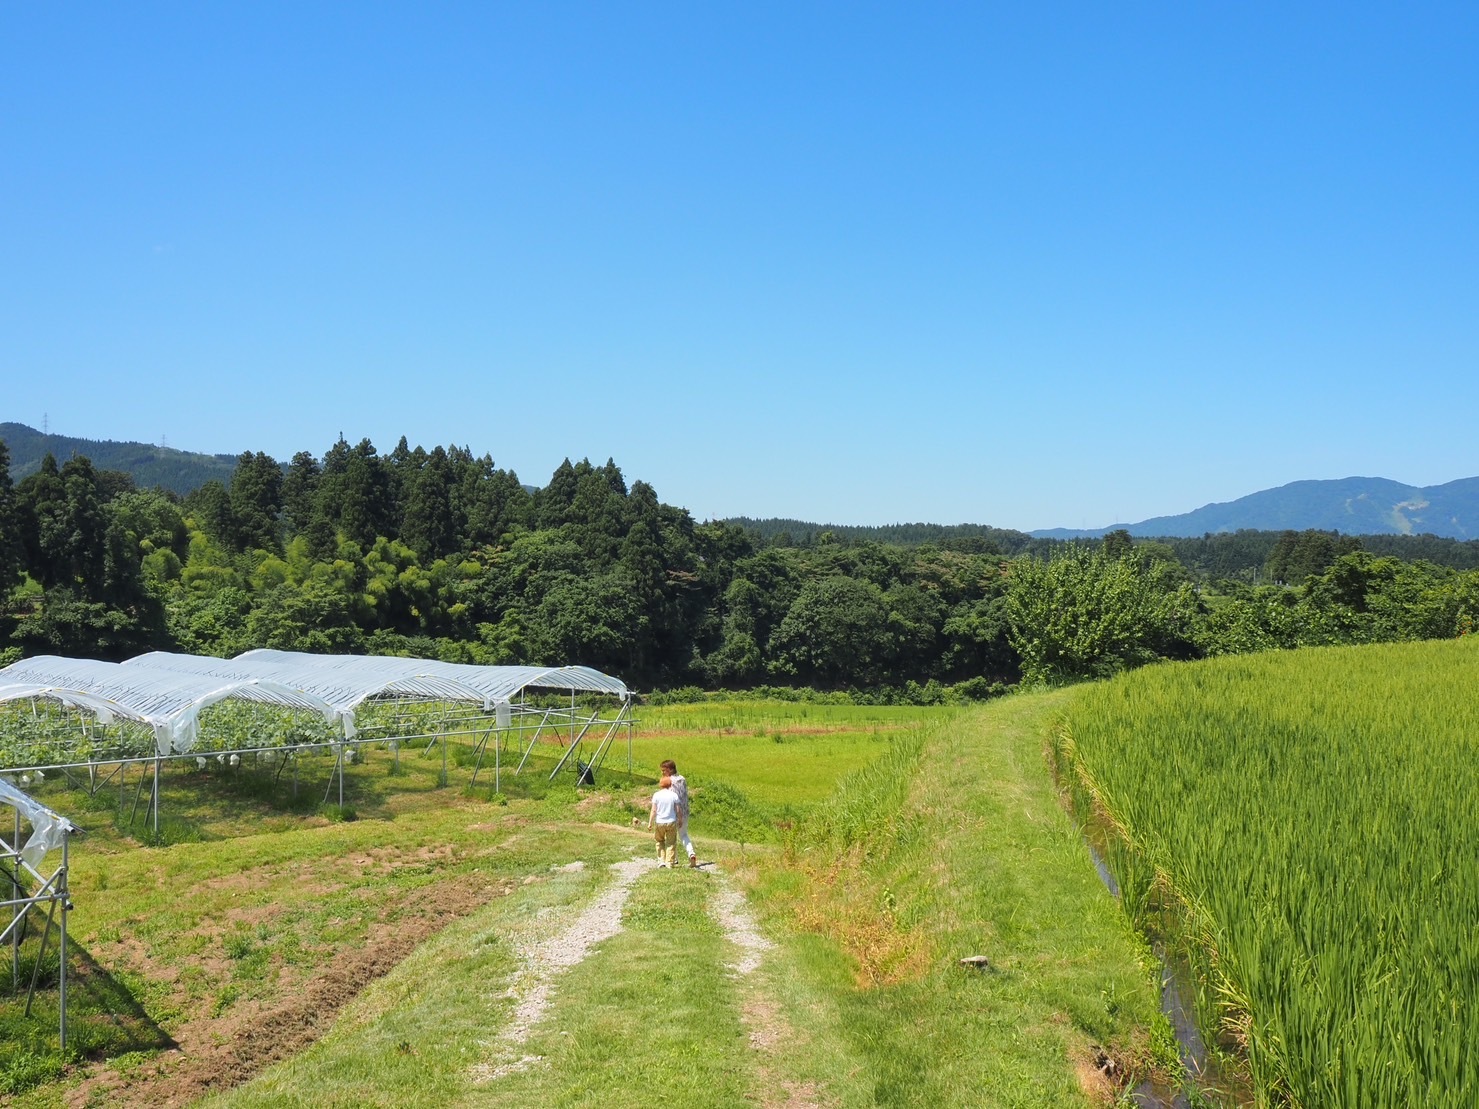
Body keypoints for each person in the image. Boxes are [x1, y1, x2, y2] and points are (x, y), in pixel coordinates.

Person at [661, 759, 697, 868]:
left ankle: (674, 858)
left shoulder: (669, 781)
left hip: (673, 813)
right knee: (684, 835)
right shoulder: (682, 779)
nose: (662, 772)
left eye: (664, 770)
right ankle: (691, 853)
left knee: (670, 837)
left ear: (670, 770)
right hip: (685, 812)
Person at [648, 775, 681, 867]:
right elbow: (678, 809)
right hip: (671, 821)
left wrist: (650, 822)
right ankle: (670, 862)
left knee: (659, 841)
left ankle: (661, 861)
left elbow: (654, 810)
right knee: (671, 842)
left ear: (660, 785)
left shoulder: (656, 795)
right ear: (670, 785)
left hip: (660, 822)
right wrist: (680, 819)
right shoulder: (674, 795)